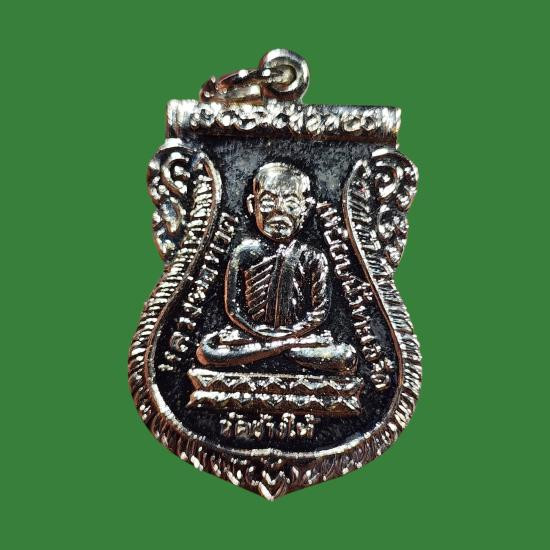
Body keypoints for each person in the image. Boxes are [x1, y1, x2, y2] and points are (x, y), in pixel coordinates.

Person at [196, 162, 357, 374]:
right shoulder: (243, 252)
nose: (279, 211)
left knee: (344, 357)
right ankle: (279, 350)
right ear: (252, 205)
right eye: (268, 202)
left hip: (300, 339)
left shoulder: (314, 256)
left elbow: (319, 312)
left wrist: (289, 334)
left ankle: (271, 351)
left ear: (306, 208)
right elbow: (233, 309)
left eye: (291, 203)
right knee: (207, 352)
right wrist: (260, 333)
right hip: (250, 336)